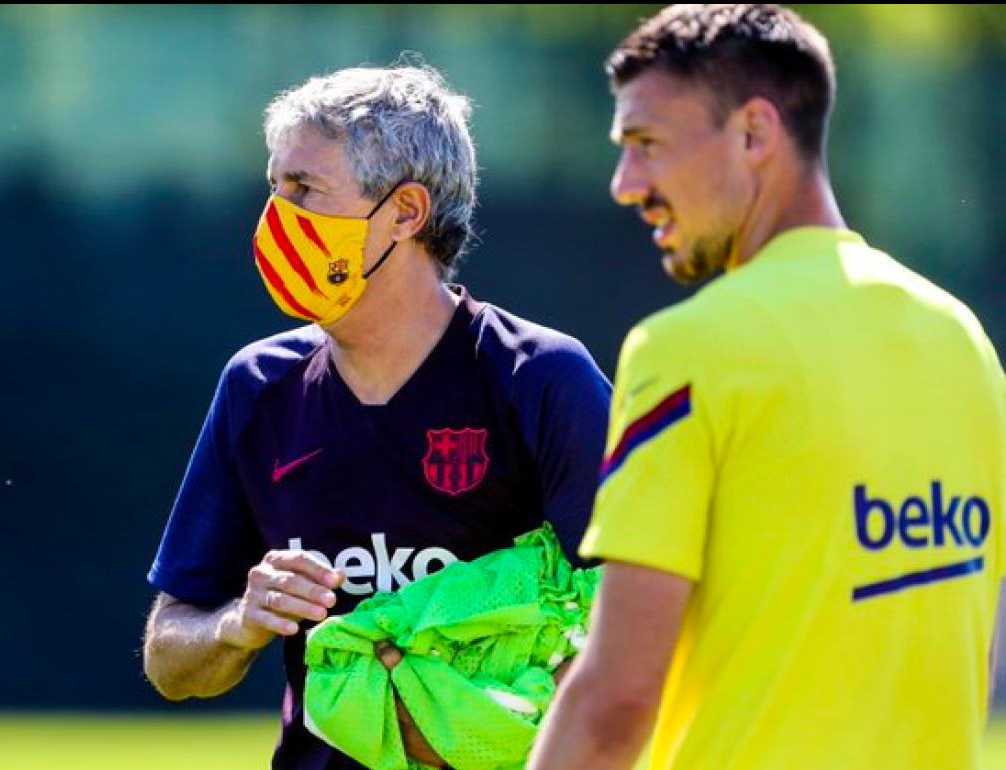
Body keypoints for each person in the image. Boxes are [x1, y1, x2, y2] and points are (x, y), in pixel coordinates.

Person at [528, 5, 1006, 770]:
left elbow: (617, 699)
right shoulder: (963, 342)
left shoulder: (685, 350)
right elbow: (974, 652)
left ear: (754, 133)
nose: (625, 185)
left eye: (647, 144)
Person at [142, 63, 613, 770]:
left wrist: (488, 739)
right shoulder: (258, 385)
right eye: (275, 189)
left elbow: (639, 627)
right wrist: (240, 623)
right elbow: (170, 659)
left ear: (406, 212)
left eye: (304, 191)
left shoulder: (539, 377)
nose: (276, 220)